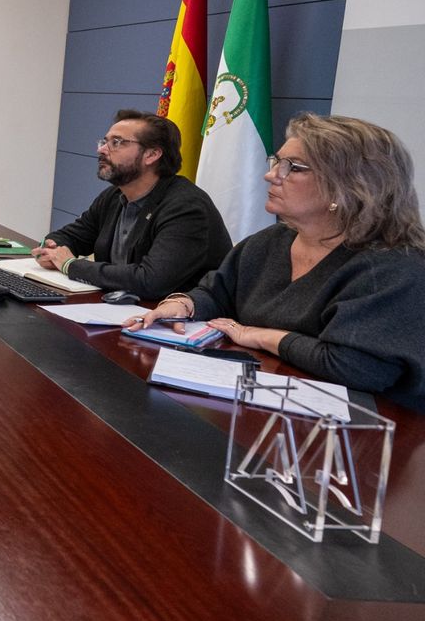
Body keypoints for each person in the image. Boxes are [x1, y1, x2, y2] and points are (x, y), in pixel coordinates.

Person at [130, 115, 425, 411]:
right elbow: (217, 292)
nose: (271, 175)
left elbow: (356, 367)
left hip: (370, 434)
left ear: (347, 186)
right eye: (277, 161)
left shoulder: (392, 267)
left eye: (292, 167)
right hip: (263, 407)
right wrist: (183, 305)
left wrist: (261, 336)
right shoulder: (271, 240)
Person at [33, 109, 232, 300]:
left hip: (179, 323)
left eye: (116, 142)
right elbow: (73, 236)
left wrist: (70, 265)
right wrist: (50, 248)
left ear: (152, 155)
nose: (101, 149)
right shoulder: (114, 196)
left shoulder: (186, 208)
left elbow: (151, 281)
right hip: (123, 309)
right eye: (104, 141)